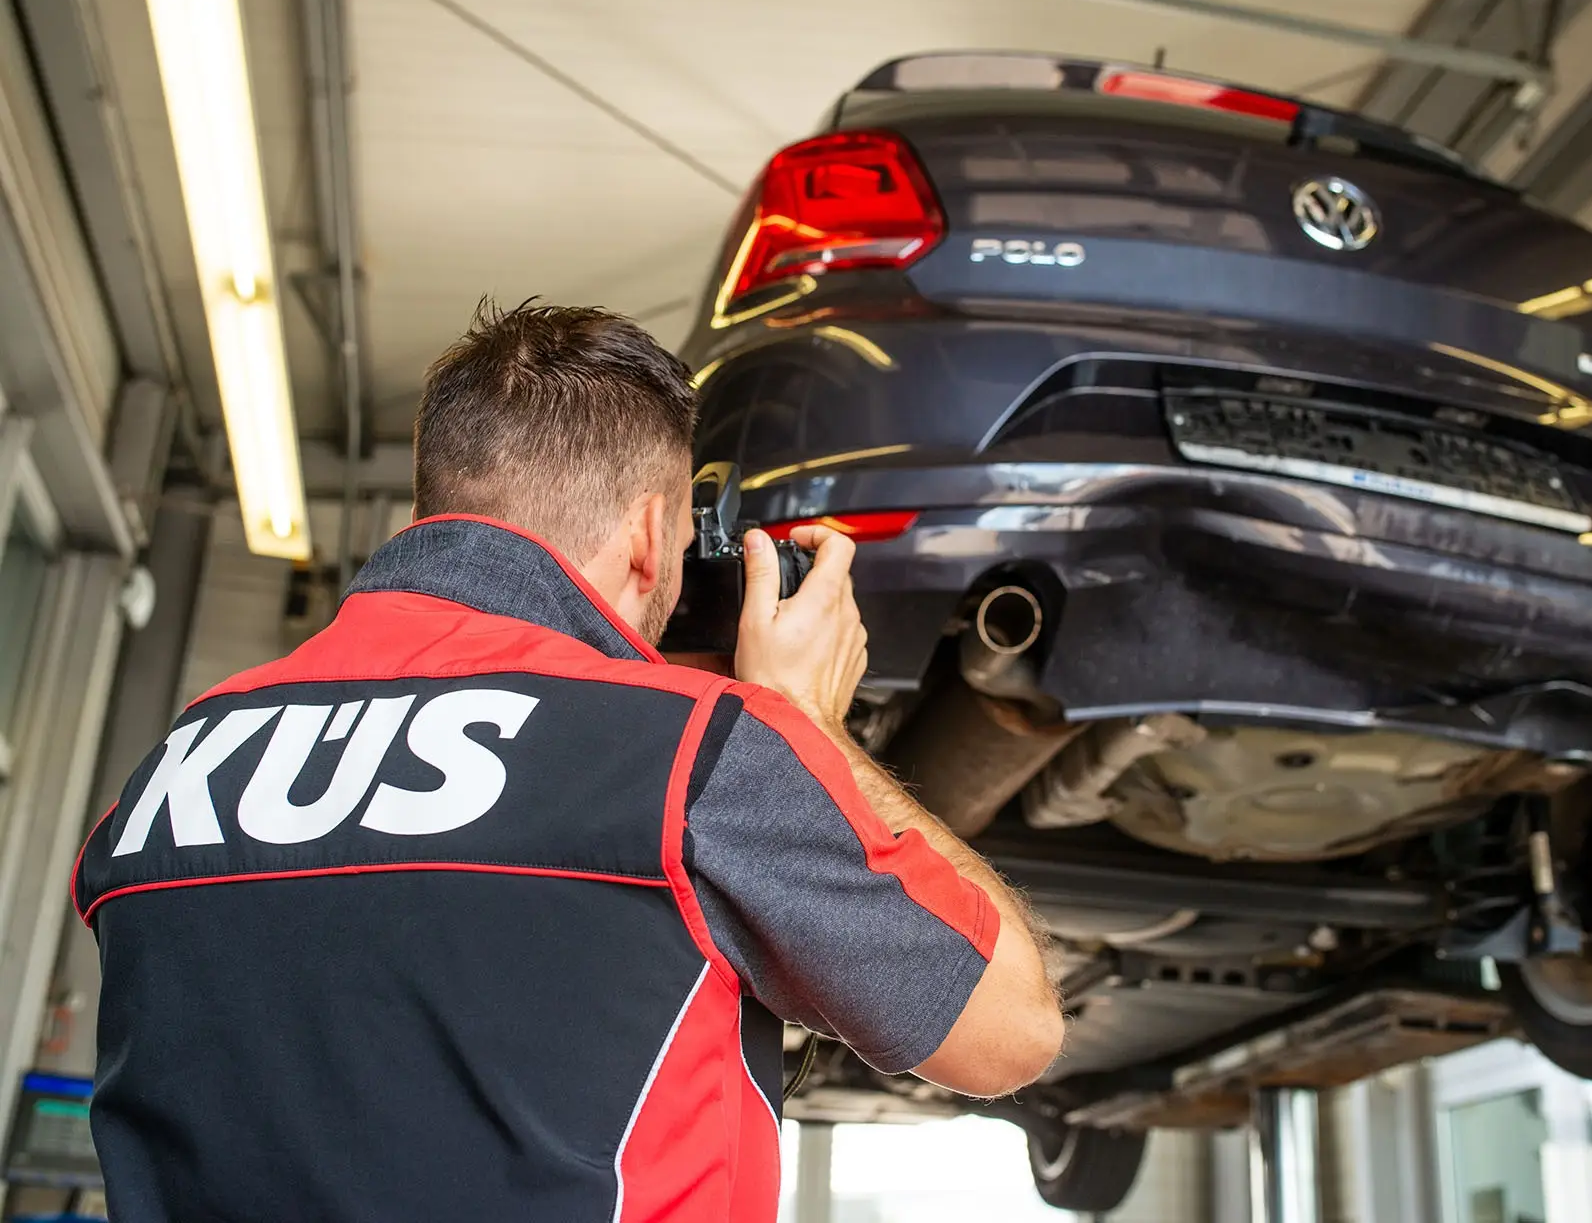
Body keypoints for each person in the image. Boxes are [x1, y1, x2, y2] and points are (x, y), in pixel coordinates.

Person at [71, 300, 1065, 1221]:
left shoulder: (174, 768)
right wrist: (807, 721)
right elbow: (1012, 1027)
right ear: (649, 535)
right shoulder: (688, 753)